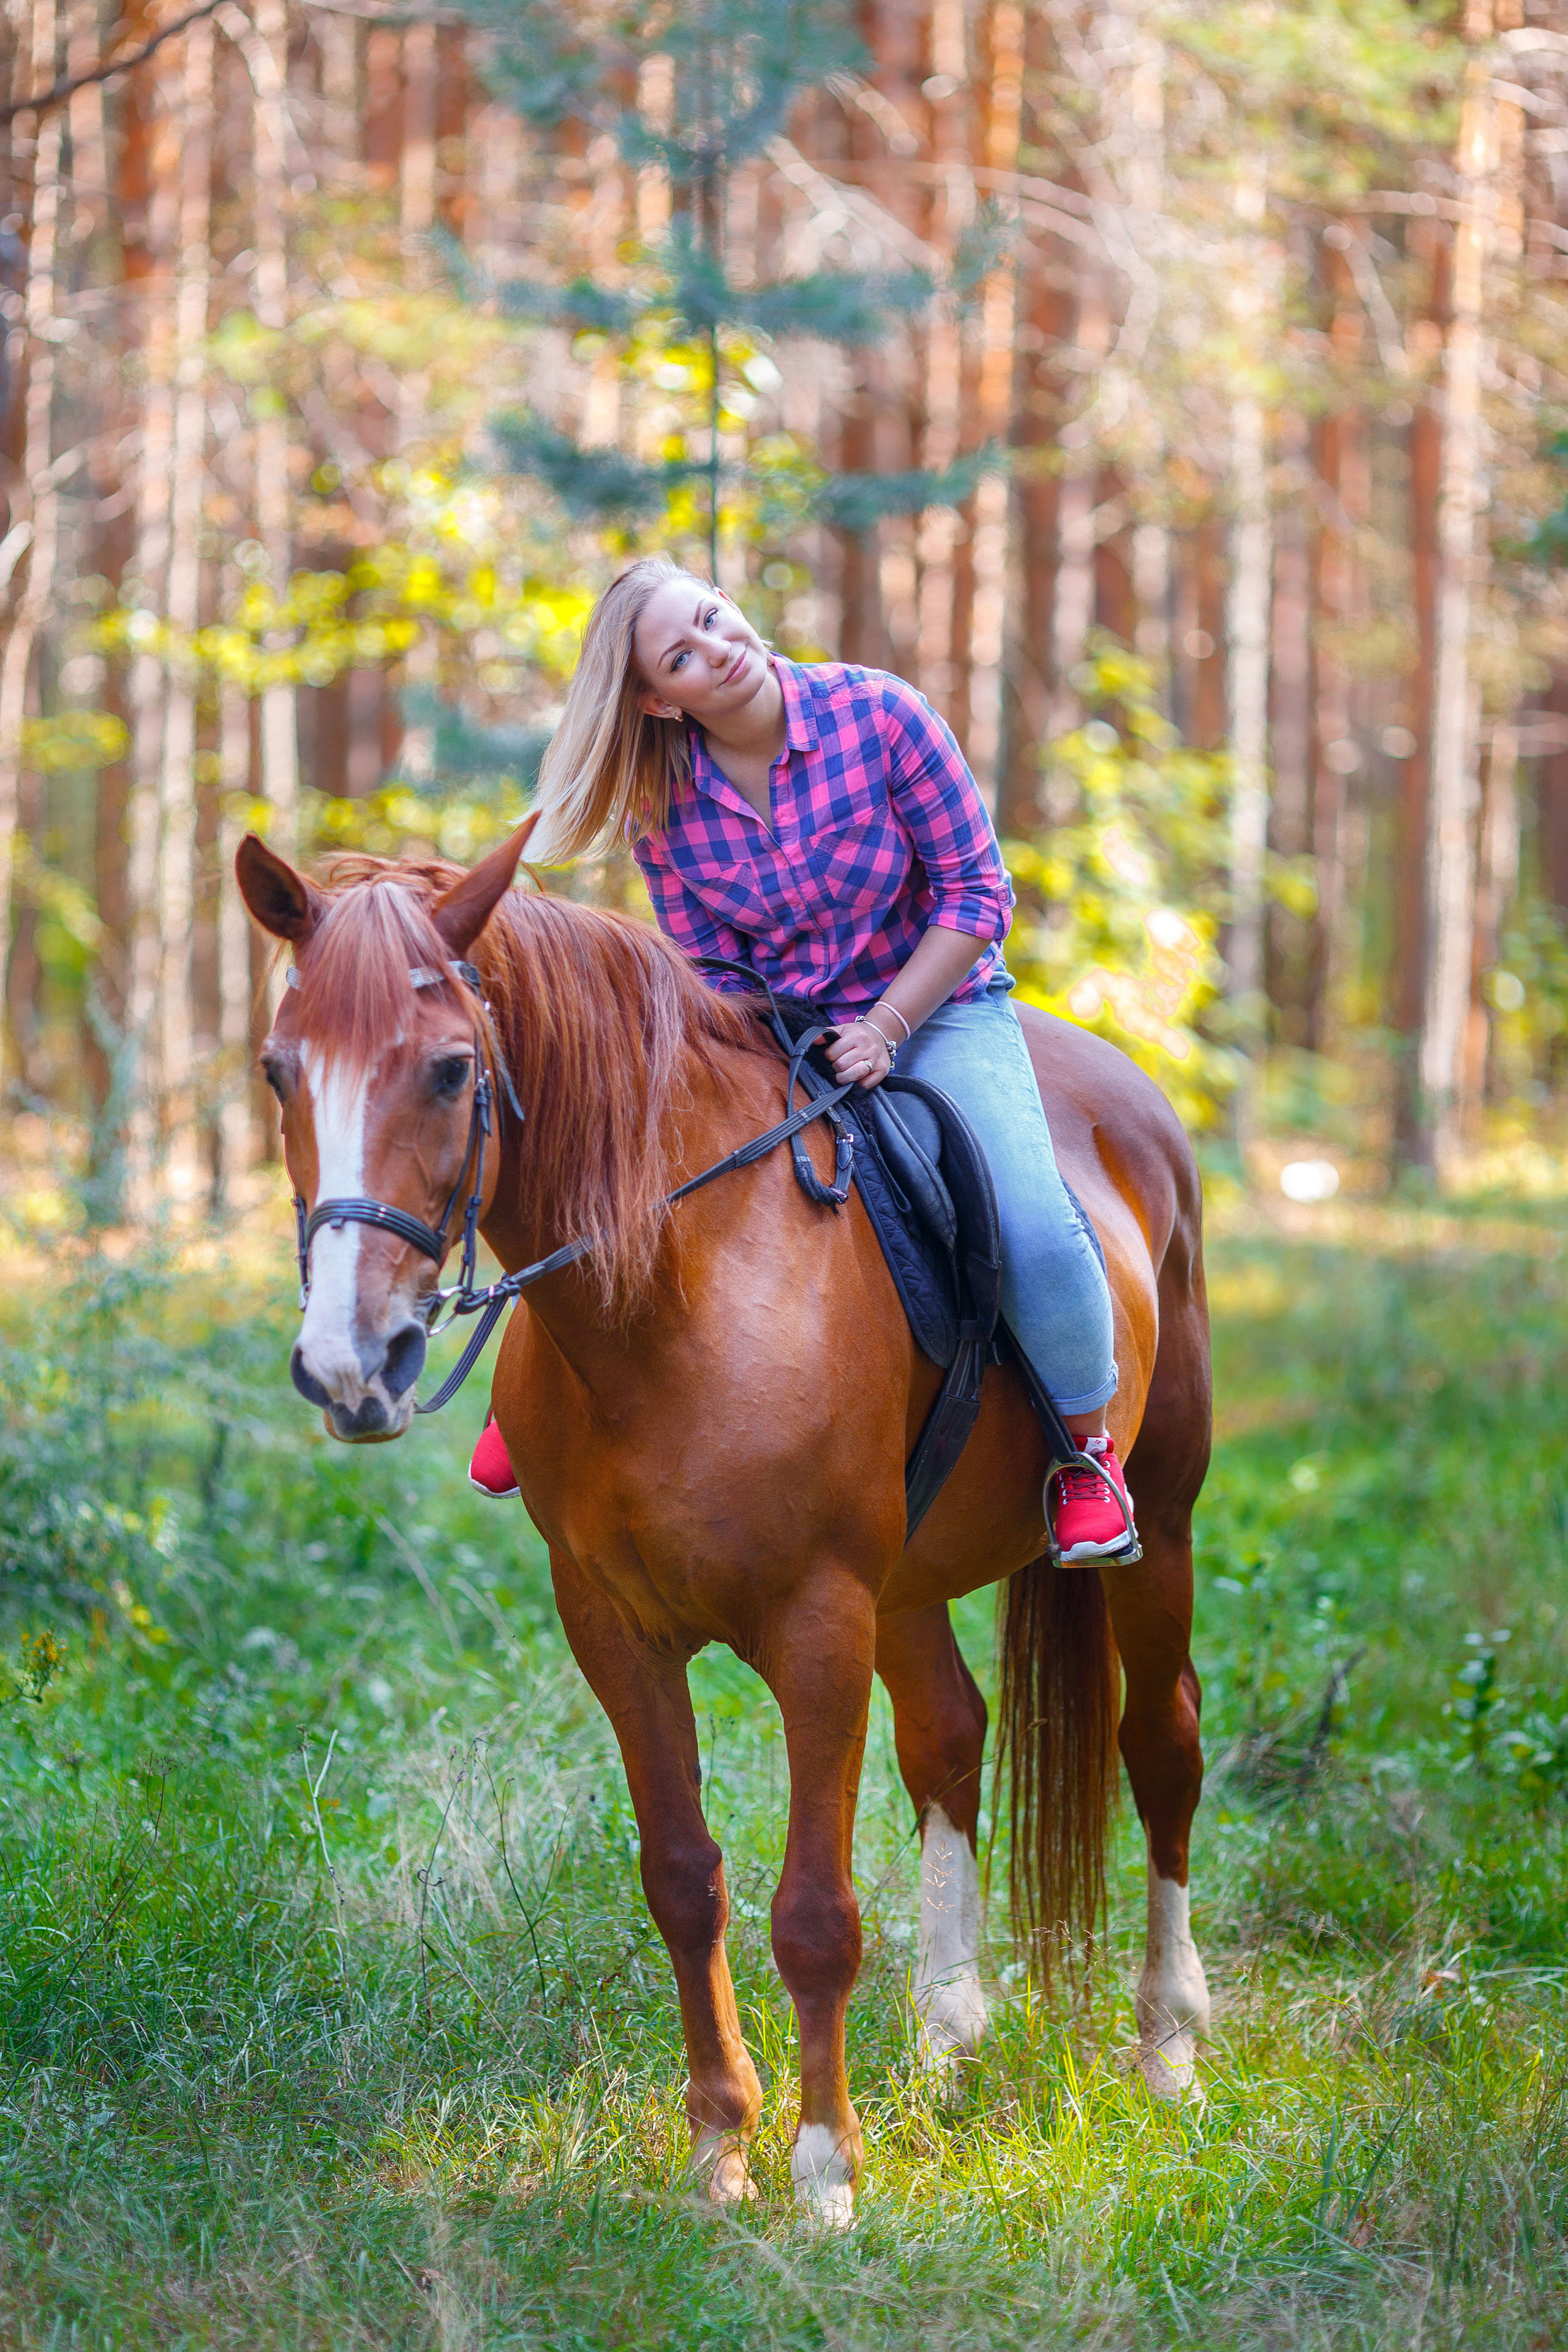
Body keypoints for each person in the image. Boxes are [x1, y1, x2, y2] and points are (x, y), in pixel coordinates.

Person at [467, 554, 1134, 1561]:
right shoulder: (667, 807)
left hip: (937, 1009)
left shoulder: (882, 716)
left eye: (713, 617)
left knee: (1035, 1224)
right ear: (655, 701)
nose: (721, 651)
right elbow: (710, 963)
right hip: (775, 1031)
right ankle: (531, 1395)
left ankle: (1089, 1457)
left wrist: (885, 1030)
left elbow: (976, 895)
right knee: (615, 1160)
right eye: (682, 656)